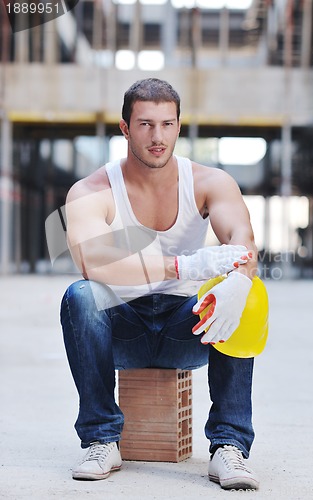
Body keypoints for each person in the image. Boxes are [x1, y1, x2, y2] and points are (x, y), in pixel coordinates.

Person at [60, 78, 259, 491]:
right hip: (122, 328)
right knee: (80, 296)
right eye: (146, 124)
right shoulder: (93, 190)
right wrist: (183, 265)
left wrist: (238, 280)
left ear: (179, 126)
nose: (157, 136)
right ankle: (101, 439)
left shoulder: (209, 182)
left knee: (248, 293)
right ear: (125, 128)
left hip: (187, 326)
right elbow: (90, 262)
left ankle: (229, 446)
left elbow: (244, 245)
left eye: (167, 124)